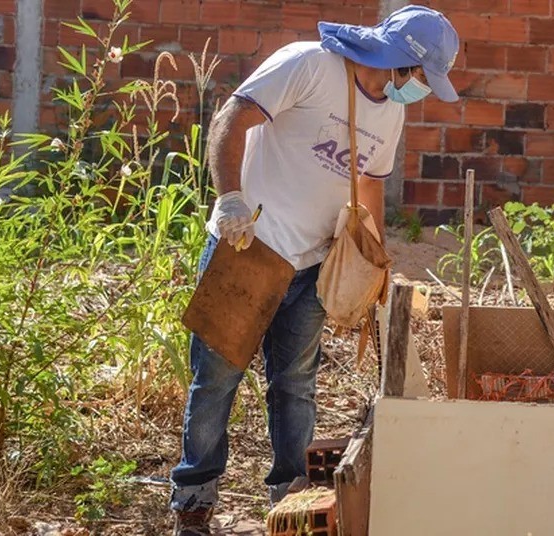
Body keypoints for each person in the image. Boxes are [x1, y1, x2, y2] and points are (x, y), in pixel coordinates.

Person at [169, 6, 460, 535]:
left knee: (296, 384)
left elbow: (369, 185)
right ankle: (194, 501)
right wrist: (230, 198)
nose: (420, 89)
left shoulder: (391, 112)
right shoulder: (307, 64)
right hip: (249, 245)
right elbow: (231, 118)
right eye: (420, 77)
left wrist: (376, 259)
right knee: (216, 379)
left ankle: (292, 503)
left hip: (314, 264)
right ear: (400, 62)